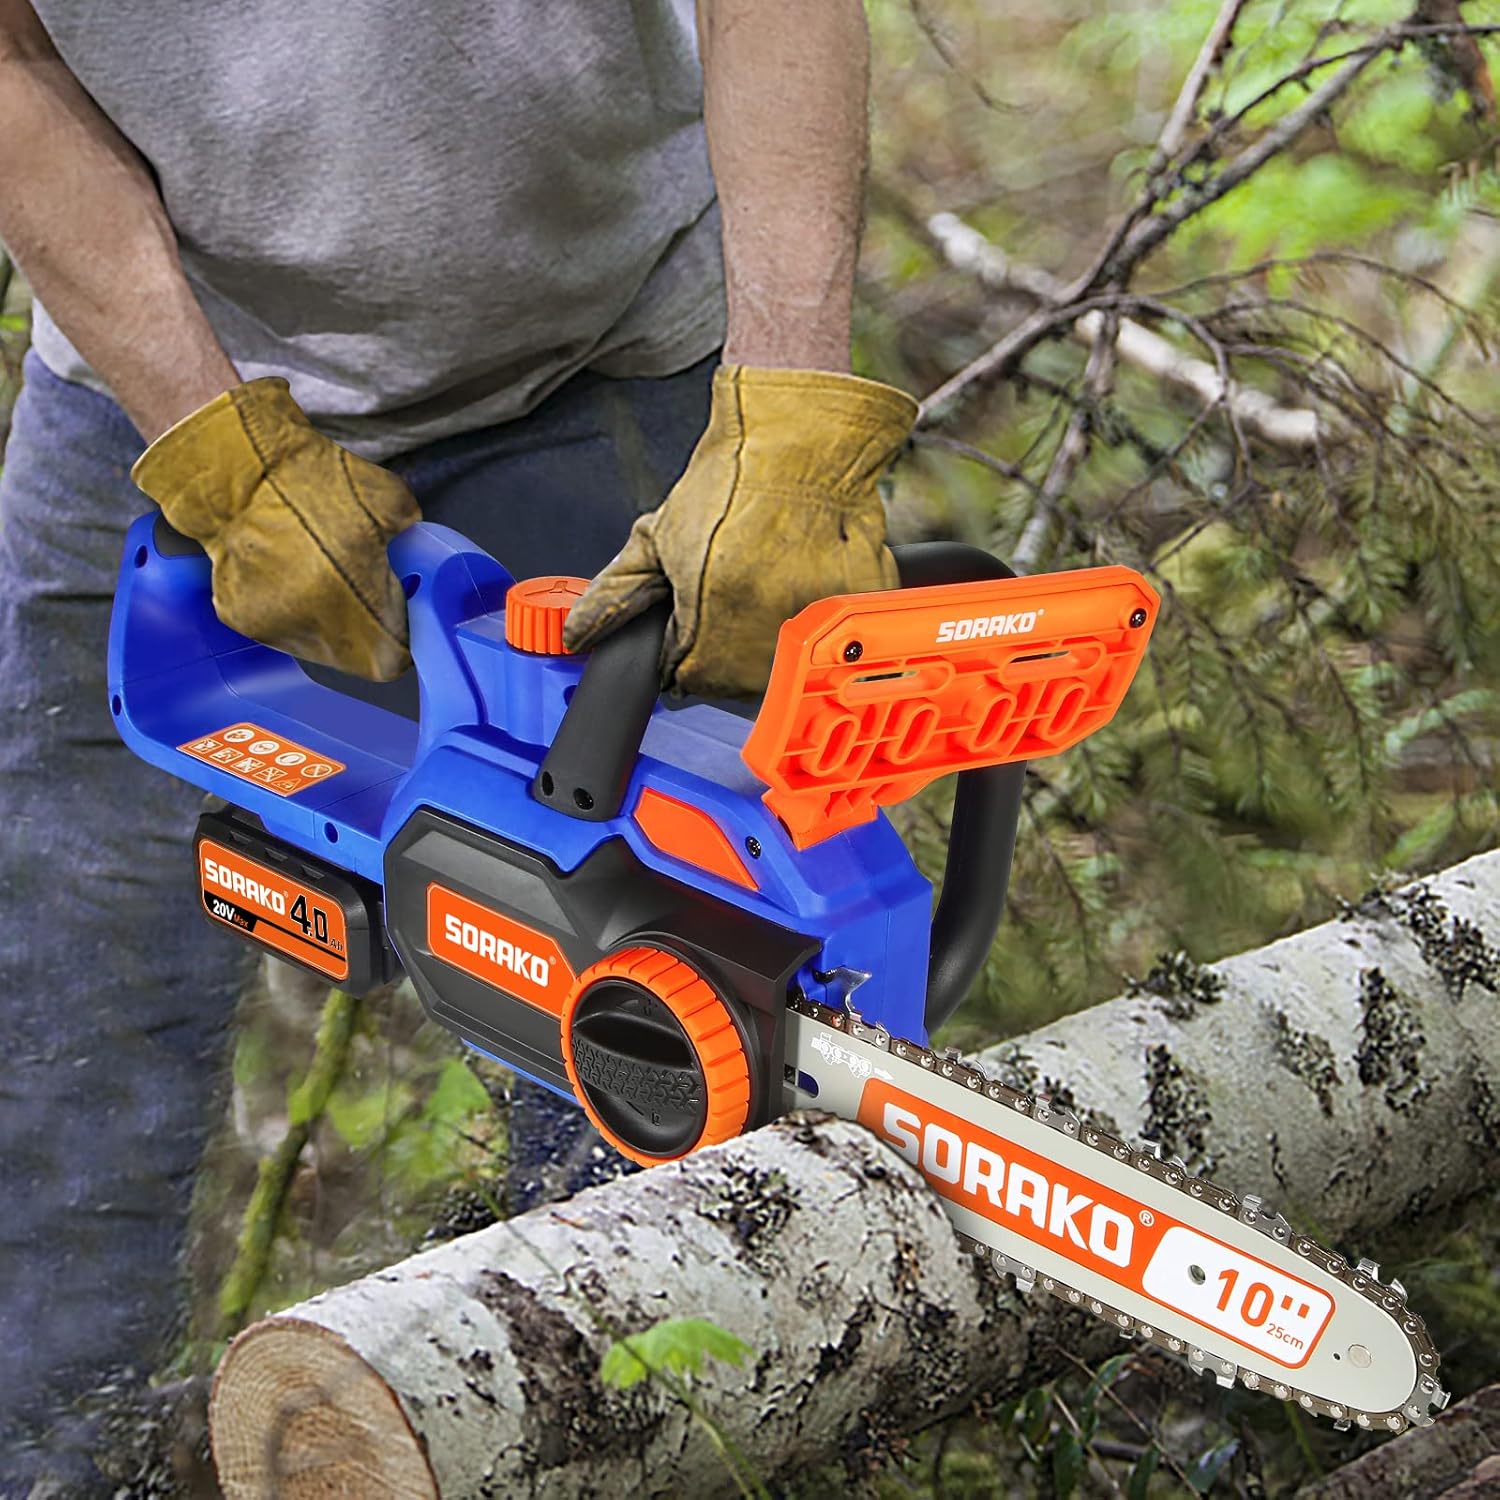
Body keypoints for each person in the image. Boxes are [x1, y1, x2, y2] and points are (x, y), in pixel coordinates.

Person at [0, 0, 918, 1487]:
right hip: (147, 399)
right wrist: (215, 454)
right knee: (63, 1059)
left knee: (675, 1070)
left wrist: (793, 416)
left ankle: (636, 1457)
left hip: (599, 367)